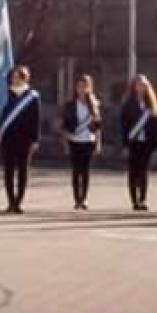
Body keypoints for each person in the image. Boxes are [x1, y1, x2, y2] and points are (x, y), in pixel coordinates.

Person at [0, 66, 41, 214]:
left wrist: (35, 139)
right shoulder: (5, 94)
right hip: (8, 136)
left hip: (25, 138)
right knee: (8, 170)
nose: (15, 79)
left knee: (23, 169)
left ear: (25, 78)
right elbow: (1, 115)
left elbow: (36, 118)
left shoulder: (32, 96)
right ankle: (10, 201)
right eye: (13, 77)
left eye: (18, 76)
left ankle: (18, 201)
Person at [119, 74, 157, 212]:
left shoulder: (151, 104)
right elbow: (124, 126)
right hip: (133, 142)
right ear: (133, 87)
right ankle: (134, 201)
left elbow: (155, 125)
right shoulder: (128, 104)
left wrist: (156, 143)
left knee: (144, 172)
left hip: (146, 143)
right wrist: (125, 144)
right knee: (133, 172)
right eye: (138, 84)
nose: (141, 87)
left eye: (143, 84)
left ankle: (143, 199)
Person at [61, 75, 102, 211]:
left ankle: (83, 198)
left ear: (89, 88)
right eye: (79, 86)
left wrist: (98, 142)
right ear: (76, 88)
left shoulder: (94, 105)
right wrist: (65, 142)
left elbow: (98, 126)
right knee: (76, 171)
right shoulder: (70, 105)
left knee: (85, 171)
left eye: (85, 86)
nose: (82, 89)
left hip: (88, 141)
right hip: (74, 141)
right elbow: (65, 125)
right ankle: (76, 199)